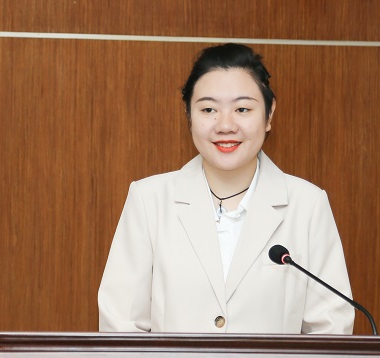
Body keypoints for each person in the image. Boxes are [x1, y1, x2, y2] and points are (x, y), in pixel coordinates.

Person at [98, 43, 354, 334]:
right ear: (189, 115)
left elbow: (331, 329)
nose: (225, 125)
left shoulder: (308, 205)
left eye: (242, 109)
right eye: (209, 109)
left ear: (269, 114)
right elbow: (121, 325)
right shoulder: (149, 201)